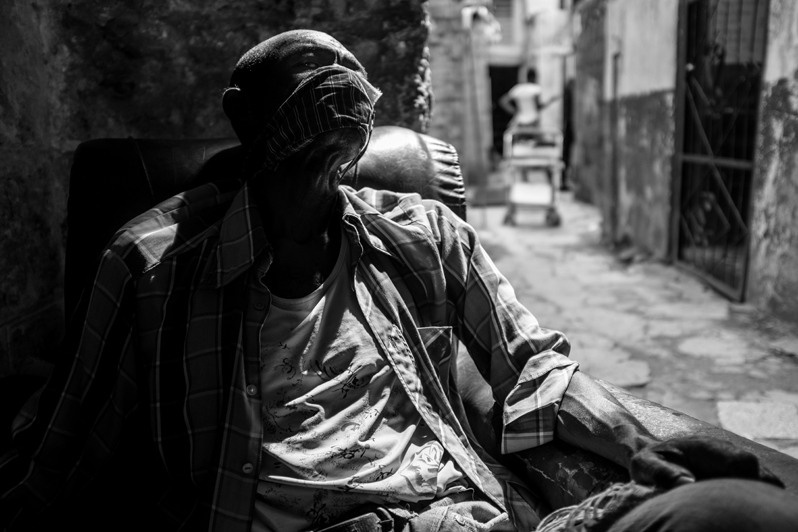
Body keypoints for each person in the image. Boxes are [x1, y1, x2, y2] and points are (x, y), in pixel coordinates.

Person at [1, 29, 796, 532]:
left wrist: (641, 447)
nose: (336, 80)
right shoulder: (153, 265)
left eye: (346, 72)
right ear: (245, 115)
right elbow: (64, 454)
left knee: (744, 512)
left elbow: (535, 367)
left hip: (465, 516)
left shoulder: (424, 235)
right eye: (307, 70)